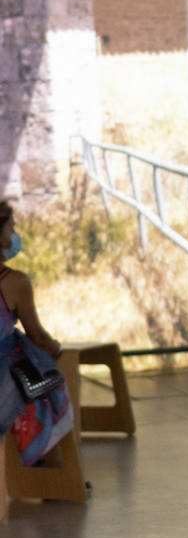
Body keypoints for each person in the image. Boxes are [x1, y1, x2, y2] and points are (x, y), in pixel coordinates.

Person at [0, 200, 73, 466]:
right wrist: (56, 349)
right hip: (3, 376)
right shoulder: (13, 281)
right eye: (11, 229)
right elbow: (38, 336)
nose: (15, 235)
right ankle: (53, 476)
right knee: (47, 393)